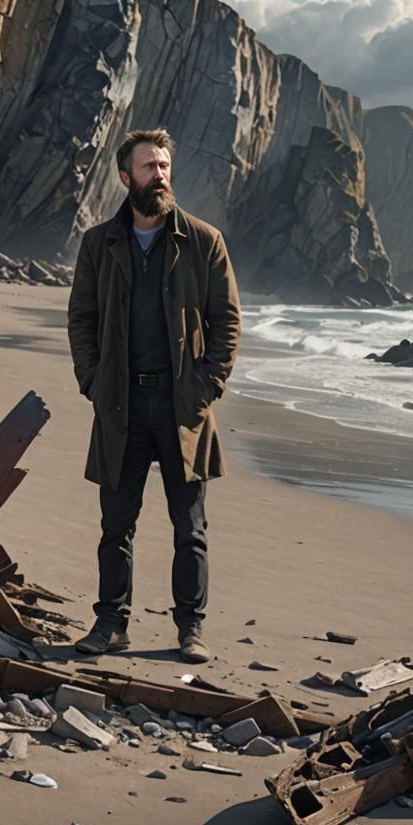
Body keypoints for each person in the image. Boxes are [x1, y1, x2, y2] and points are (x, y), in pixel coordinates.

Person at [67, 128, 241, 664]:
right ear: (126, 178)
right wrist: (94, 383)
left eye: (164, 165)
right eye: (148, 167)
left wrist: (205, 387)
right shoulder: (100, 244)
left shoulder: (204, 241)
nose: (159, 175)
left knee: (189, 529)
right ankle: (110, 625)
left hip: (183, 409)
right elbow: (81, 319)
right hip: (120, 406)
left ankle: (190, 629)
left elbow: (227, 321)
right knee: (116, 524)